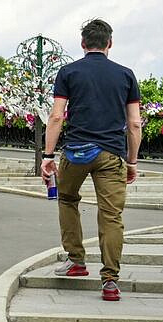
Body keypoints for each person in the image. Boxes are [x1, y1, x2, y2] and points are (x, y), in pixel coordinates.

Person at [38, 19, 141, 302]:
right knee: (111, 215)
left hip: (76, 152)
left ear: (83, 44)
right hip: (112, 154)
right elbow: (134, 124)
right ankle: (110, 281)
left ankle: (76, 260)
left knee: (67, 199)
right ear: (109, 44)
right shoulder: (126, 75)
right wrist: (131, 161)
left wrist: (47, 156)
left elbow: (57, 116)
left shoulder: (68, 72)